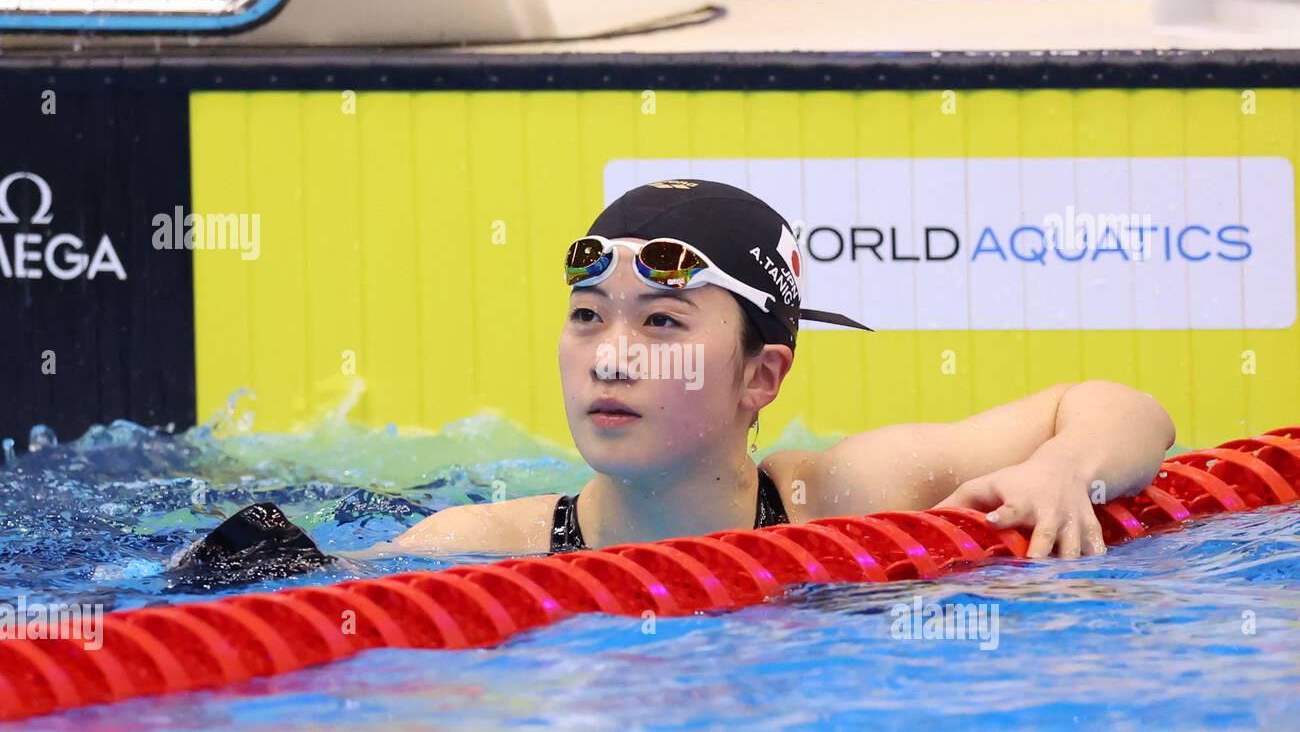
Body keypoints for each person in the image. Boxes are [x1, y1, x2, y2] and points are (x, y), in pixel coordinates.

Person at [372, 179, 1176, 561]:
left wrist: (1065, 470)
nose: (608, 357)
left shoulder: (835, 498)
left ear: (762, 376)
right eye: (587, 315)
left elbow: (1119, 407)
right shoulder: (472, 547)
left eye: (660, 322)